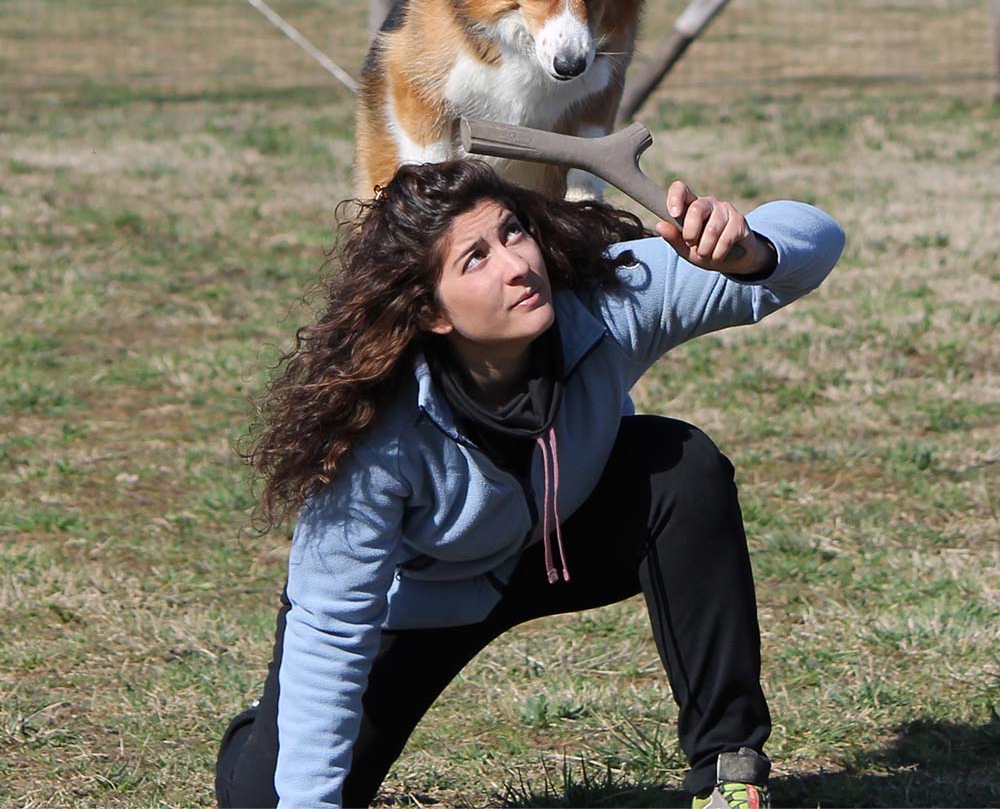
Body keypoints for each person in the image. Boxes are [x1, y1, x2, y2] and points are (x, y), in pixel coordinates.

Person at [215, 159, 845, 809]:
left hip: (560, 543)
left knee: (679, 466)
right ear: (431, 311)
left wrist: (747, 251)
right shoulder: (376, 433)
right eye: (475, 260)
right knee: (266, 798)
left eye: (514, 232)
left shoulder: (600, 301)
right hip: (421, 604)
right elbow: (334, 630)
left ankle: (728, 776)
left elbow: (818, 239)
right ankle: (261, 726)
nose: (516, 265)